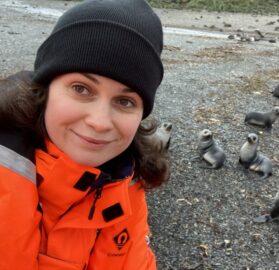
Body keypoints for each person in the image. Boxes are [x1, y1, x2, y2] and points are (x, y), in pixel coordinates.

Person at [0, 0, 170, 269]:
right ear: (45, 89)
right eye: (81, 89)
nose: (100, 122)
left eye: (125, 102)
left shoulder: (128, 183)